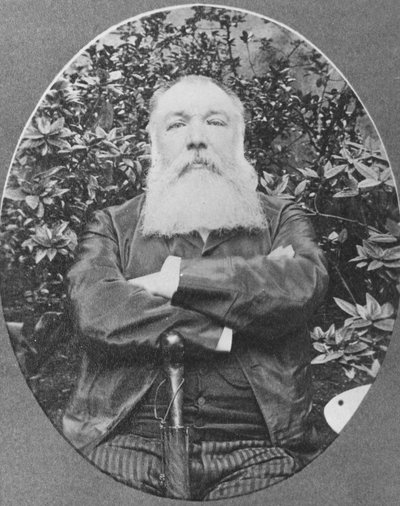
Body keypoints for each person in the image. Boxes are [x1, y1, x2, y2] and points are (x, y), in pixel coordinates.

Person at [62, 75, 329, 501]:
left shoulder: (280, 218)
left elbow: (302, 285)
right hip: (128, 441)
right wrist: (225, 325)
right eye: (177, 124)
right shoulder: (114, 224)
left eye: (215, 122)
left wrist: (171, 280)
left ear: (239, 139)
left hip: (258, 449)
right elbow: (96, 309)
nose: (197, 138)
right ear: (155, 144)